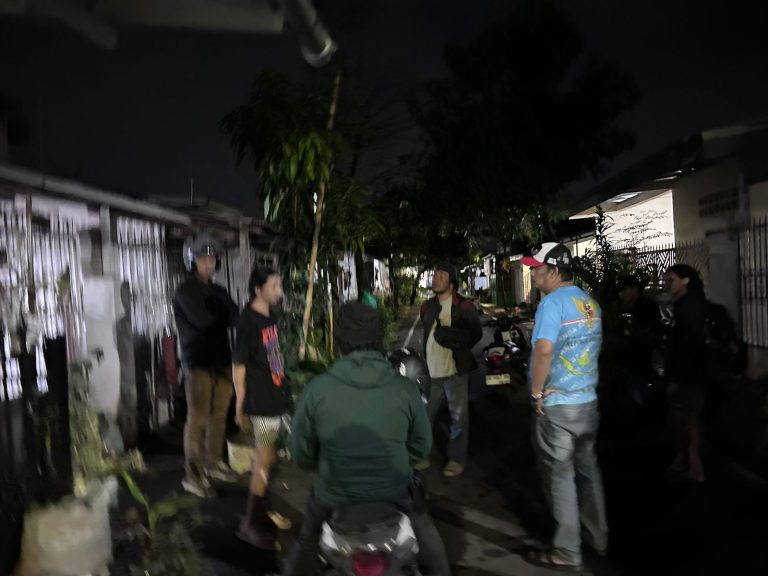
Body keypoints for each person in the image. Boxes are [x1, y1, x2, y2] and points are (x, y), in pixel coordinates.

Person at [283, 301, 450, 576]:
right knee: (426, 528)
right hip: (395, 491)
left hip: (333, 494)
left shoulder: (317, 389)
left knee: (306, 539)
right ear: (379, 341)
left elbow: (301, 454)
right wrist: (397, 462)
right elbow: (421, 448)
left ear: (339, 342)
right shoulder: (405, 389)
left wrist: (325, 465)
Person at [522, 242, 609, 572]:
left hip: (558, 406)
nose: (533, 274)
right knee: (588, 472)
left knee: (560, 478)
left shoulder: (551, 304)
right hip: (587, 402)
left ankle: (567, 552)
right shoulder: (588, 303)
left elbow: (544, 350)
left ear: (554, 271)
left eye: (537, 269)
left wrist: (536, 393)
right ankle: (598, 538)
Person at [174, 233, 239, 497]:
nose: (209, 263)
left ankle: (214, 463)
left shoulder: (218, 290)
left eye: (212, 258)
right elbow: (204, 320)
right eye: (203, 258)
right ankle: (192, 475)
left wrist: (222, 312)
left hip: (221, 359)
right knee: (198, 418)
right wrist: (223, 312)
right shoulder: (185, 290)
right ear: (192, 261)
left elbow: (235, 317)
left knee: (220, 414)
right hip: (197, 362)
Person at [232, 267, 293, 548]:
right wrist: (240, 403)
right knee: (263, 459)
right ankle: (250, 522)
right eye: (274, 286)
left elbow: (274, 354)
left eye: (279, 285)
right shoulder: (247, 321)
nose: (279, 291)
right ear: (257, 289)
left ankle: (262, 510)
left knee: (269, 459)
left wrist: (283, 385)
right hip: (260, 400)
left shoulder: (271, 316)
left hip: (275, 394)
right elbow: (238, 365)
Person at [419, 261, 482, 477]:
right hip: (430, 372)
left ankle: (456, 459)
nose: (436, 279)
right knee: (424, 416)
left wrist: (457, 341)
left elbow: (475, 334)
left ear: (451, 282)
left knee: (458, 419)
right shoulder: (427, 307)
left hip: (455, 372)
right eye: (435, 275)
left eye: (442, 276)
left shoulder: (464, 307)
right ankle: (421, 455)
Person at [663, 264, 707, 483]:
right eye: (665, 280)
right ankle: (688, 463)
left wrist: (677, 379)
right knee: (686, 419)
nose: (666, 284)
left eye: (671, 279)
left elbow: (688, 346)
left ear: (686, 280)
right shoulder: (687, 303)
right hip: (692, 374)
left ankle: (693, 467)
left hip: (689, 376)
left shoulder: (690, 306)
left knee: (685, 420)